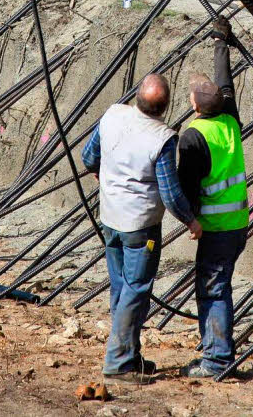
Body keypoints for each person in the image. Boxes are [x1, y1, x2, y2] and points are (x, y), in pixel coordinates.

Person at [82, 73, 202, 385]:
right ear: (166, 105)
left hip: (109, 217)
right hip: (140, 226)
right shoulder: (163, 137)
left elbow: (88, 156)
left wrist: (100, 172)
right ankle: (118, 362)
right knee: (135, 290)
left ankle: (129, 354)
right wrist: (191, 220)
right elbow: (170, 192)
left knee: (121, 287)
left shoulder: (112, 114)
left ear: (137, 96)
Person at [178, 16, 249, 379]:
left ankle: (218, 360)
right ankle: (215, 347)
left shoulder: (193, 136)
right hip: (238, 225)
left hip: (216, 227)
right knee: (217, 286)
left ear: (194, 106)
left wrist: (188, 218)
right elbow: (226, 84)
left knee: (213, 289)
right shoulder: (230, 121)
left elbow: (187, 185)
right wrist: (221, 43)